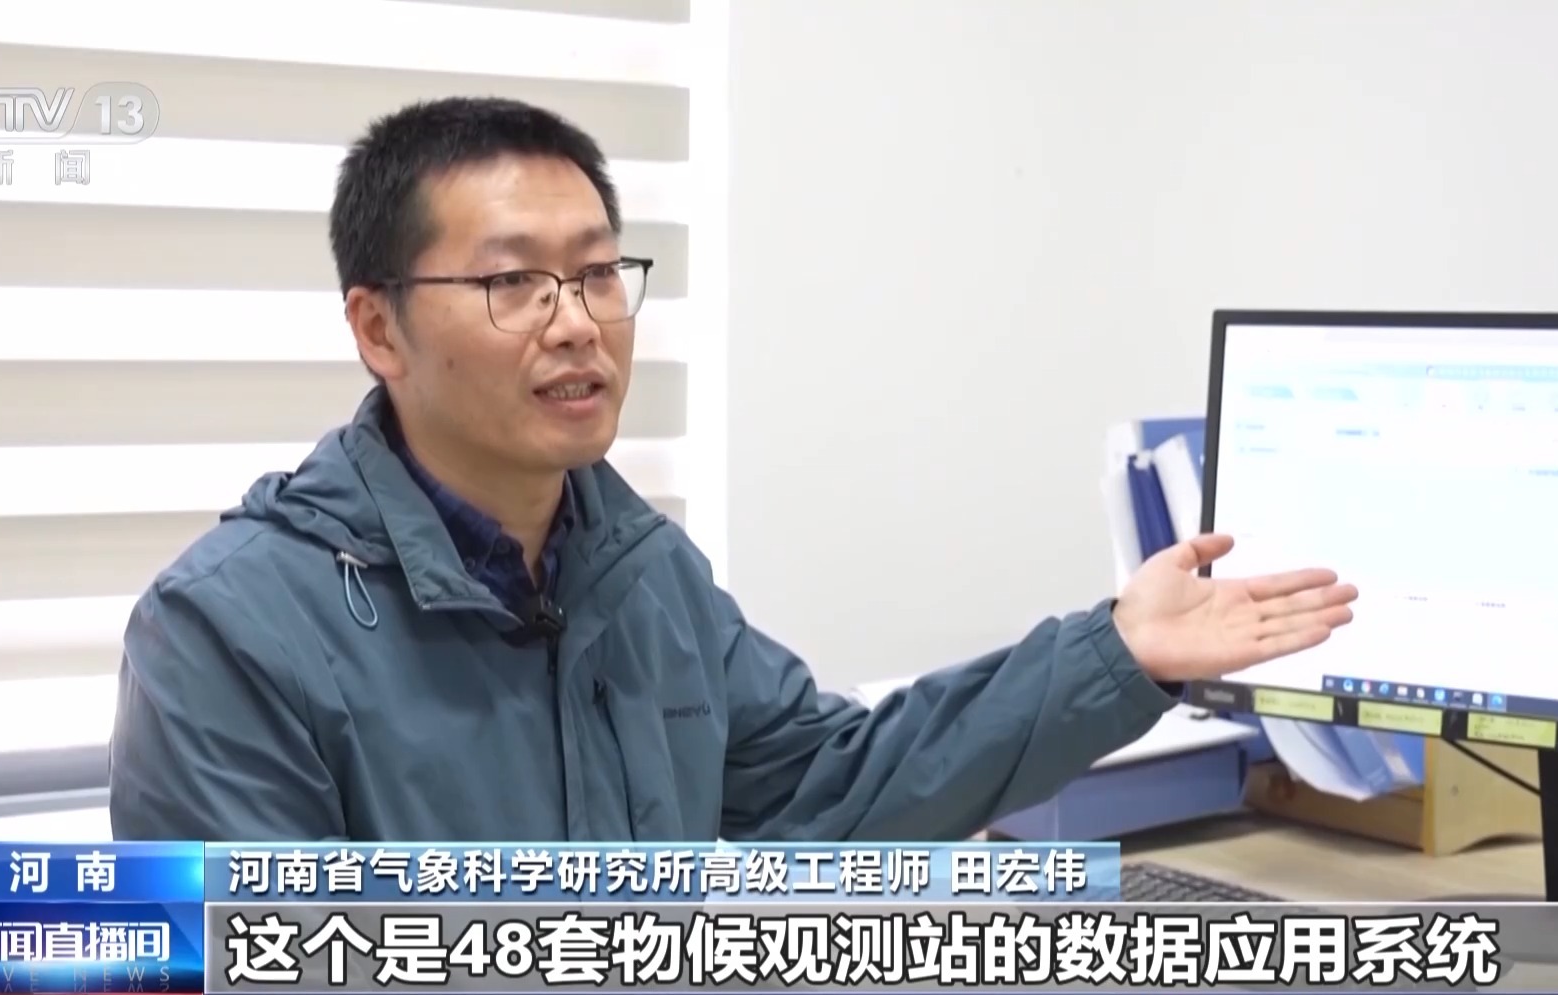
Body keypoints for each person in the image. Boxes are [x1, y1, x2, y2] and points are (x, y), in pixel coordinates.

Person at [108, 96, 1356, 842]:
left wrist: (1117, 650)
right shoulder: (228, 630)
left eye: (599, 273)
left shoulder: (638, 572)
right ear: (378, 327)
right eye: (513, 281)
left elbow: (831, 786)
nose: (576, 322)